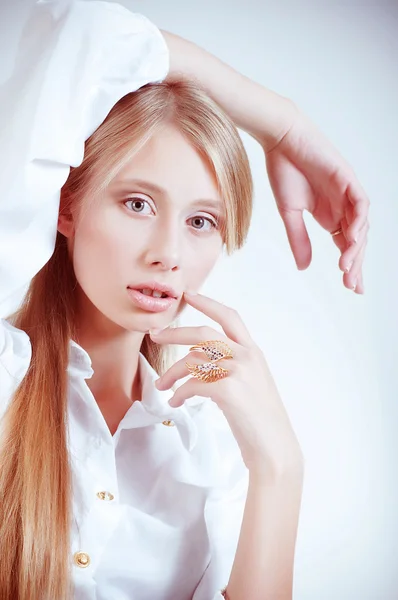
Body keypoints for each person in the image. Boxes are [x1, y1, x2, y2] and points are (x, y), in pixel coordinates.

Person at [0, 1, 368, 599]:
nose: (168, 252)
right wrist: (283, 126)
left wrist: (280, 465)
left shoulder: (206, 450)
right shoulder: (7, 377)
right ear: (65, 205)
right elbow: (90, 35)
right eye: (138, 203)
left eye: (202, 221)